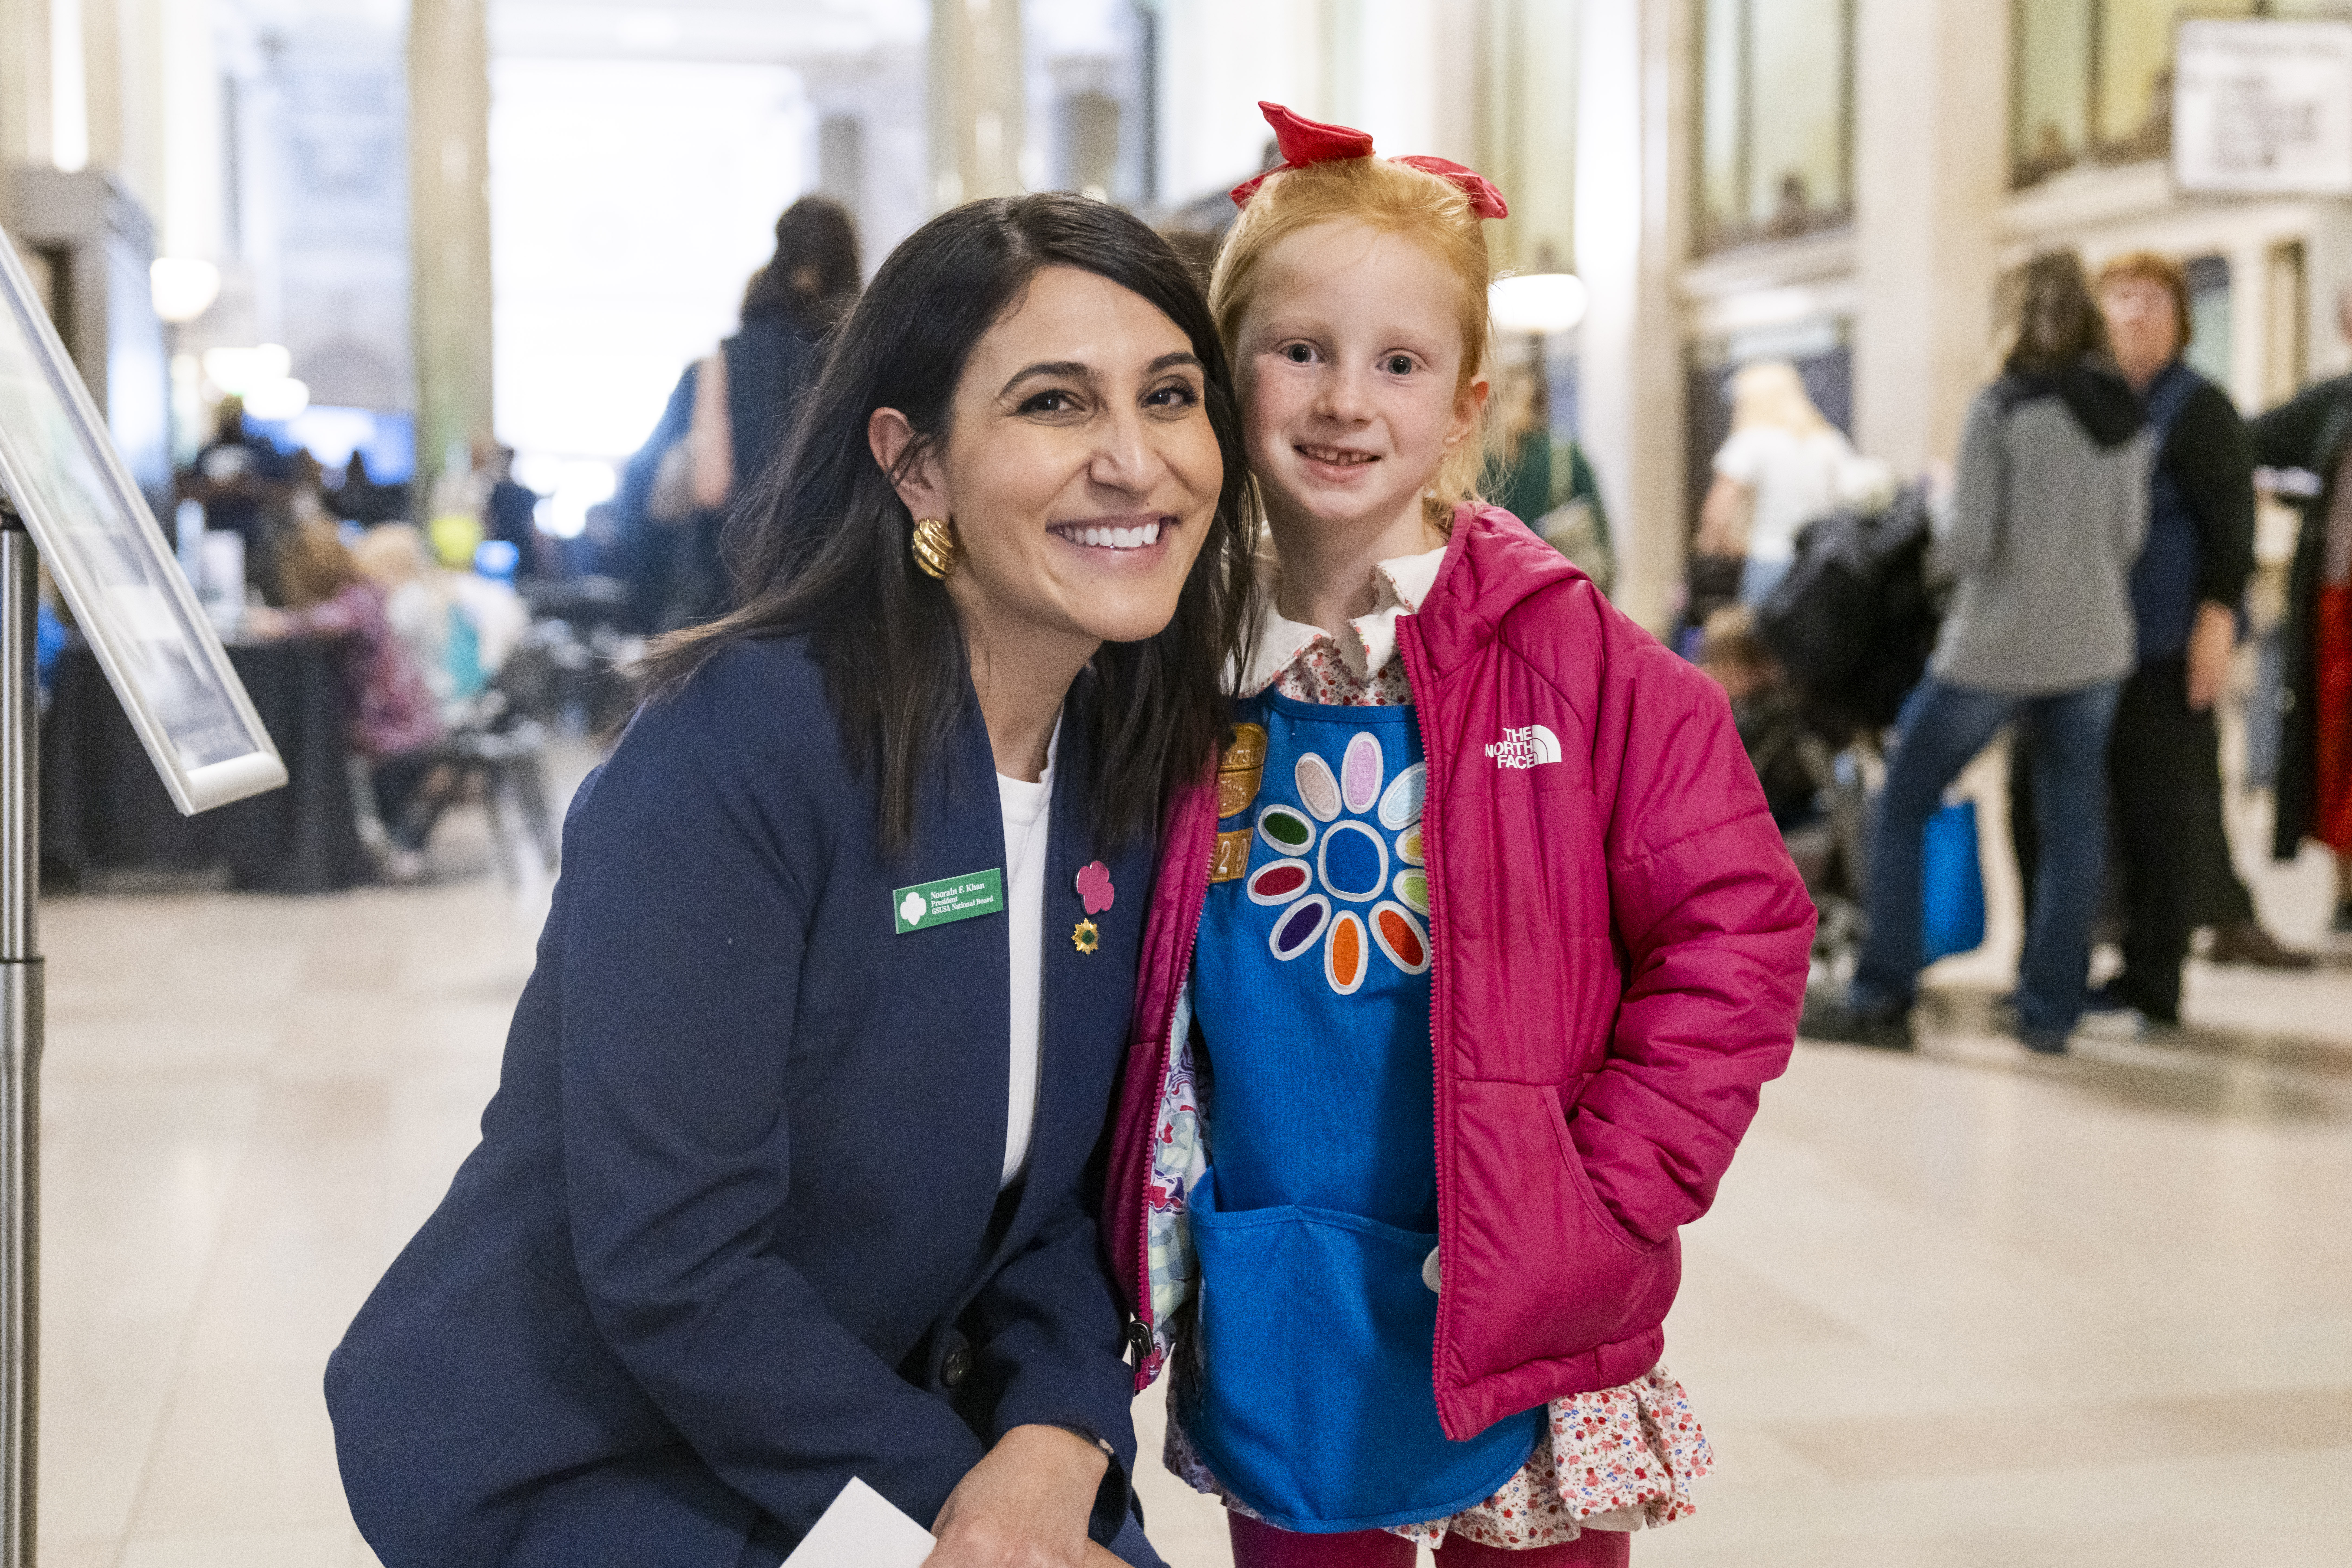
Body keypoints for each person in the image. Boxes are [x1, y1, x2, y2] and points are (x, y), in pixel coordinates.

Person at [324, 192, 1260, 1568]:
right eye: (1055, 404)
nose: (1134, 459)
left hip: (892, 1414)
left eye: (1169, 396)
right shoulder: (737, 752)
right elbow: (675, 1267)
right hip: (606, 1452)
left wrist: (1060, 1434)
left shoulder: (1117, 760)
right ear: (916, 466)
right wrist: (961, 1508)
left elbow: (1054, 1195)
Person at [1099, 103, 1814, 1567]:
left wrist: (1611, 1185)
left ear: (1467, 409)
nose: (1346, 400)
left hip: (1530, 1298)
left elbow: (1739, 925)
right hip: (1283, 1285)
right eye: (1299, 350)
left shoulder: (1582, 663)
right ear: (1221, 380)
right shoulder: (1170, 666)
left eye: (1399, 363)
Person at [1807, 251, 2153, 1053]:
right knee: (2072, 821)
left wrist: (1936, 511)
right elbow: (2128, 537)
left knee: (1905, 801)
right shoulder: (2125, 412)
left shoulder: (2001, 407)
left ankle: (1882, 991)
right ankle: (2049, 1010)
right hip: (2095, 644)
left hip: (1994, 643)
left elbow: (1966, 541)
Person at [2016, 253, 2309, 1033]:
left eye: (2148, 299)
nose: (2132, 313)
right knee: (2073, 806)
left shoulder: (2200, 408)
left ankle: (2154, 980)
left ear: (2178, 315)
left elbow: (2228, 531)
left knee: (2161, 812)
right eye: (2118, 299)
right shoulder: (2097, 400)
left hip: (2167, 643)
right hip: (2087, 641)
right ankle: (2074, 964)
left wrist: (2216, 626)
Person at [670, 195, 865, 622]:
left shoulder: (731, 355)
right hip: (846, 582)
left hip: (746, 583)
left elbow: (711, 485)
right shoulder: (865, 347)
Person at [247, 514, 449, 877]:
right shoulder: (366, 593)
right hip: (404, 723)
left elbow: (335, 619)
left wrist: (283, 623)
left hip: (396, 729)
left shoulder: (359, 598)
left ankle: (389, 847)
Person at [2251, 283, 2352, 931]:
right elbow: (2242, 445)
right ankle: (2347, 892)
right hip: (2339, 599)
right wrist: (2296, 497)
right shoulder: (2333, 402)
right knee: (2337, 748)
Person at [1694, 360, 1862, 607]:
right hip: (1821, 566)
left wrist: (1728, 552)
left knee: (1762, 643)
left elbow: (1717, 520)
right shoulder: (1831, 442)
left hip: (1769, 565)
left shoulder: (1751, 441)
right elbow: (1851, 504)